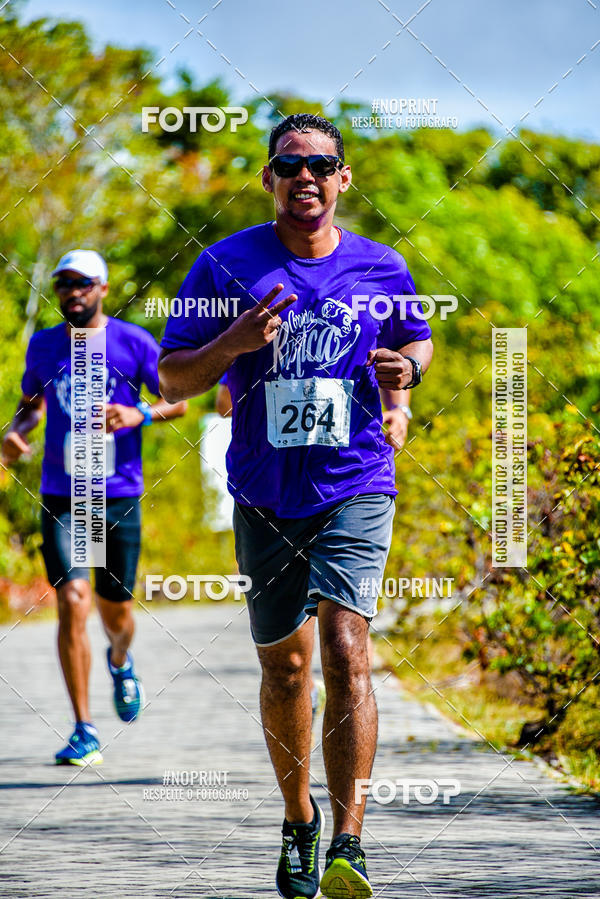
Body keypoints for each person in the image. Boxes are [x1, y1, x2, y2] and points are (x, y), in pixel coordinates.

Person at [158, 114, 433, 899]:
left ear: (343, 177)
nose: (304, 176)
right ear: (269, 178)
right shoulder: (223, 264)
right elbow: (173, 377)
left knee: (347, 647)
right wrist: (232, 346)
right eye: (288, 164)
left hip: (357, 479)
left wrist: (407, 373)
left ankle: (350, 842)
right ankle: (299, 819)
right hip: (265, 492)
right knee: (285, 670)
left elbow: (417, 338)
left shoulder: (381, 266)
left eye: (320, 164)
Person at [2, 250, 187, 766]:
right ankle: (83, 728)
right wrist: (16, 433)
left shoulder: (133, 341)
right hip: (64, 495)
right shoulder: (44, 345)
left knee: (116, 612)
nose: (72, 292)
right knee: (72, 598)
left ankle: (120, 659)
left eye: (82, 283)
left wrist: (138, 413)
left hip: (117, 493)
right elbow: (30, 405)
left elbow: (179, 399)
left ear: (103, 288)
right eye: (63, 284)